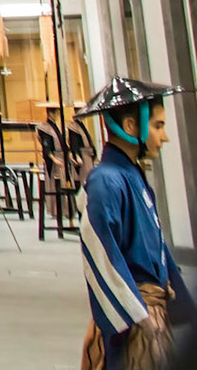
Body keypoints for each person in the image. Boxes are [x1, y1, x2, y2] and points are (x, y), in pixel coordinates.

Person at [77, 77, 194, 370]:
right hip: (134, 325)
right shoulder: (106, 180)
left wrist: (179, 308)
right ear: (131, 127)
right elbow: (100, 255)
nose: (164, 137)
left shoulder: (130, 175)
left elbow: (158, 249)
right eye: (158, 126)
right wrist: (136, 316)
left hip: (150, 314)